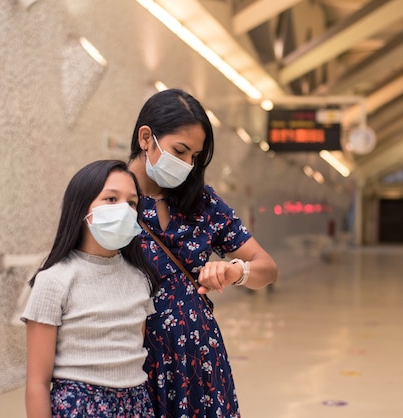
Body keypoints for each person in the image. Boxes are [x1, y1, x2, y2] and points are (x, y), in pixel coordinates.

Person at [127, 88, 278, 418]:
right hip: (130, 363)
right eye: (179, 151)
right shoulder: (111, 194)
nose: (186, 165)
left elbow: (267, 267)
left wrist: (237, 271)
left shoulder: (203, 203)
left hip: (198, 361)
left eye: (194, 156)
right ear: (146, 137)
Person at [21, 159, 160, 418]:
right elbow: (37, 383)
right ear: (81, 208)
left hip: (136, 404)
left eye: (131, 203)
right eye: (110, 199)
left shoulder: (141, 278)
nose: (124, 210)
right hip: (80, 405)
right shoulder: (55, 279)